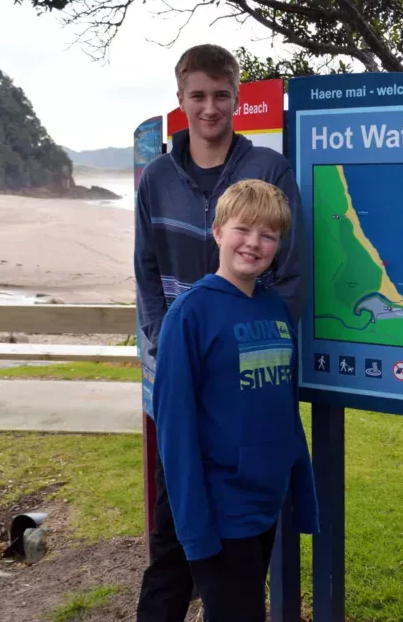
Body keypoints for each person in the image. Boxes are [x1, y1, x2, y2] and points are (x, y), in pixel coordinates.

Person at [133, 43, 307, 622]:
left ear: (238, 98)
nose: (210, 107)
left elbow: (290, 275)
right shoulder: (156, 177)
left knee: (234, 574)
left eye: (221, 95)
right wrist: (168, 345)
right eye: (198, 96)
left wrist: (243, 343)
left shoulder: (267, 170)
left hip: (242, 386)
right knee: (173, 548)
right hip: (179, 371)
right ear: (181, 101)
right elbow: (146, 272)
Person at [151, 179, 318, 622]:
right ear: (219, 231)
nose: (254, 243)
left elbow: (284, 408)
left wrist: (301, 488)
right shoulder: (190, 315)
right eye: (244, 229)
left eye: (269, 235)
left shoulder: (274, 310)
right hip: (219, 510)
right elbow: (175, 431)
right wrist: (194, 530)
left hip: (264, 503)